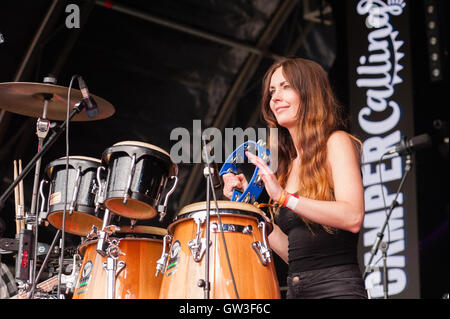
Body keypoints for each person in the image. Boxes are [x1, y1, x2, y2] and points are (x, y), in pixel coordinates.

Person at [222, 57, 368, 299]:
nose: (275, 97)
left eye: (286, 87)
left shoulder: (337, 142)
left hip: (336, 289)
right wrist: (251, 211)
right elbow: (296, 255)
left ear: (309, 93)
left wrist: (284, 197)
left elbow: (352, 216)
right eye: (272, 91)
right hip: (296, 290)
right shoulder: (287, 165)